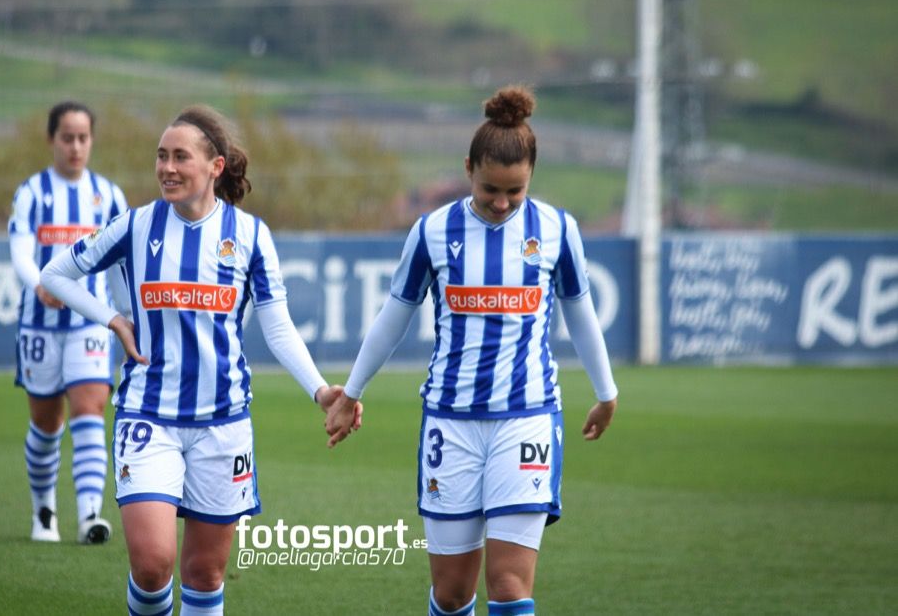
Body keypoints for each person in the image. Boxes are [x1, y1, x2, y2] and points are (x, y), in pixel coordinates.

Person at [40, 104, 360, 616]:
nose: (167, 167)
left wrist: (321, 390)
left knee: (205, 574)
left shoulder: (250, 235)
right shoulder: (135, 225)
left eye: (180, 157)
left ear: (215, 166)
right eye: (161, 156)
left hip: (223, 425)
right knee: (152, 564)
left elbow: (277, 327)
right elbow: (55, 275)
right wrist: (113, 319)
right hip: (149, 416)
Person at [325, 85, 618, 616]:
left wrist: (606, 391)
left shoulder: (556, 230)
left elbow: (579, 308)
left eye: (515, 191)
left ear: (532, 177)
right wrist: (353, 391)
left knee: (508, 585)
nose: (502, 203)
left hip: (526, 418)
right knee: (452, 592)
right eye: (490, 190)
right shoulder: (433, 231)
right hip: (451, 422)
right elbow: (394, 315)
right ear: (468, 170)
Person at [8, 100, 129, 545]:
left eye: (83, 138)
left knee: (90, 409)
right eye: (67, 138)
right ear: (51, 139)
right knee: (46, 423)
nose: (76, 147)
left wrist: (126, 314)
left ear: (91, 140)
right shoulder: (31, 193)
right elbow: (21, 251)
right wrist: (39, 283)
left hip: (90, 323)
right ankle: (44, 512)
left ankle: (90, 514)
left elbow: (120, 263)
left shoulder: (109, 195)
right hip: (39, 325)